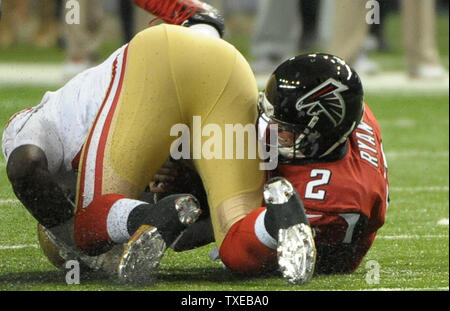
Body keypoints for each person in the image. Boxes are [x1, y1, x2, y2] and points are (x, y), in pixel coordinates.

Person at [3, 0, 315, 285]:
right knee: (236, 245)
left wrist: (71, 238)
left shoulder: (47, 122)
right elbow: (204, 22)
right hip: (228, 69)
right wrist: (186, 181)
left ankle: (134, 222)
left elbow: (24, 165)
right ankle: (277, 222)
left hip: (156, 64)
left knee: (90, 230)